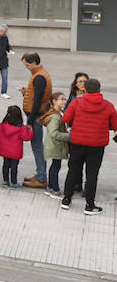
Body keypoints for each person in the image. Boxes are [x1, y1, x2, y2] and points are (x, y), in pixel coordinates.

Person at [61, 78, 117, 215]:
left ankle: (66, 200)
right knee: (92, 175)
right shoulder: (108, 106)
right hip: (97, 145)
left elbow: (66, 119)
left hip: (78, 142)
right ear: (99, 90)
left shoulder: (76, 102)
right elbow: (115, 125)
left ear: (84, 89)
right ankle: (89, 205)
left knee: (73, 170)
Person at [19, 52, 52, 189]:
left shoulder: (39, 77)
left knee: (37, 147)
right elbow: (37, 95)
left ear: (33, 63)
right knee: (38, 147)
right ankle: (40, 174)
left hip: (35, 116)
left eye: (27, 64)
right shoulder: (40, 74)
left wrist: (30, 122)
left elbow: (38, 100)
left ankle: (41, 178)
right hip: (36, 114)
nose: (26, 67)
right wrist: (27, 93)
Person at [41, 92, 70, 199]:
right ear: (54, 101)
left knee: (55, 166)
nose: (64, 101)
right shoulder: (54, 116)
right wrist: (69, 136)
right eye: (61, 99)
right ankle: (55, 190)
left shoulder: (59, 113)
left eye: (65, 99)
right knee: (55, 166)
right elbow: (54, 133)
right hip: (55, 145)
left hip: (56, 145)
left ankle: (51, 187)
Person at [0, 105, 33, 188]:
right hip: (15, 151)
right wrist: (30, 131)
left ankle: (5, 181)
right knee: (14, 166)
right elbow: (26, 138)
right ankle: (14, 182)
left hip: (4, 150)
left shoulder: (2, 125)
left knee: (5, 164)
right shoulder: (21, 128)